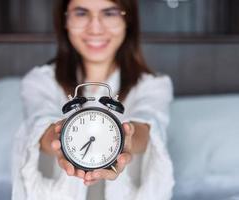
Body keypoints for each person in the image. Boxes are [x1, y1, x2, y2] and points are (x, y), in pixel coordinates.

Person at [12, 0, 175, 199]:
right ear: (65, 19)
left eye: (109, 13)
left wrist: (127, 136)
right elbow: (40, 124)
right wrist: (59, 138)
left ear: (128, 20)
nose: (95, 28)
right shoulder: (40, 81)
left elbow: (149, 126)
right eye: (81, 13)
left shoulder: (153, 85)